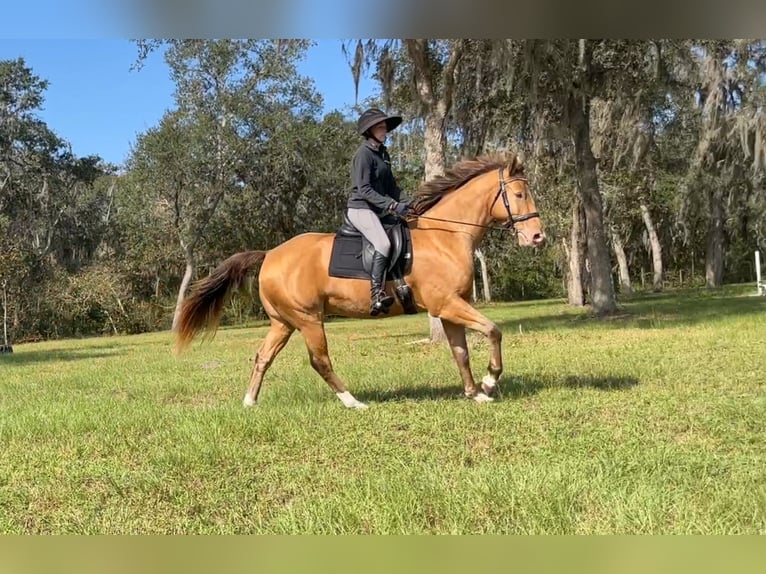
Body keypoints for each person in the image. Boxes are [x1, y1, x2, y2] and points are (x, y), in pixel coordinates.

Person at [347, 108, 413, 316]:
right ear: (370, 131)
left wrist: (408, 202)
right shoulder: (363, 155)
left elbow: (391, 186)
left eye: (385, 126)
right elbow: (364, 189)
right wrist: (392, 205)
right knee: (383, 243)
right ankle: (376, 295)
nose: (385, 130)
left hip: (378, 209)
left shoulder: (383, 154)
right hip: (361, 208)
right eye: (380, 127)